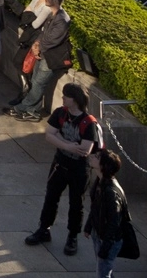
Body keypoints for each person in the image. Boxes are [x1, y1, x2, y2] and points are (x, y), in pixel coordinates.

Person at [25, 82, 103, 255]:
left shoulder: (88, 122)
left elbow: (84, 150)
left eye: (65, 96)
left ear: (74, 100)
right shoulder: (60, 113)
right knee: (51, 198)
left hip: (79, 170)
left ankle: (72, 236)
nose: (62, 98)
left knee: (77, 203)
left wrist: (59, 138)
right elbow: (49, 135)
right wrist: (68, 145)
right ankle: (43, 229)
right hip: (60, 165)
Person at [7, 0, 72, 118]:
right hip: (43, 54)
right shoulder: (52, 14)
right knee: (36, 81)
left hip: (50, 57)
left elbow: (53, 39)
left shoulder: (62, 19)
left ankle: (23, 108)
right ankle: (33, 111)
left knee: (38, 83)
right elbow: (43, 33)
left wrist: (39, 47)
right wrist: (36, 44)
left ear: (55, 0)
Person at [86, 150, 131, 278]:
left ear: (103, 166)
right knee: (105, 269)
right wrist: (89, 226)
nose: (92, 157)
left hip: (107, 239)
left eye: (97, 157)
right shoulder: (100, 183)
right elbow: (95, 207)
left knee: (103, 273)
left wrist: (105, 247)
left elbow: (114, 222)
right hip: (99, 234)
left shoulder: (111, 192)